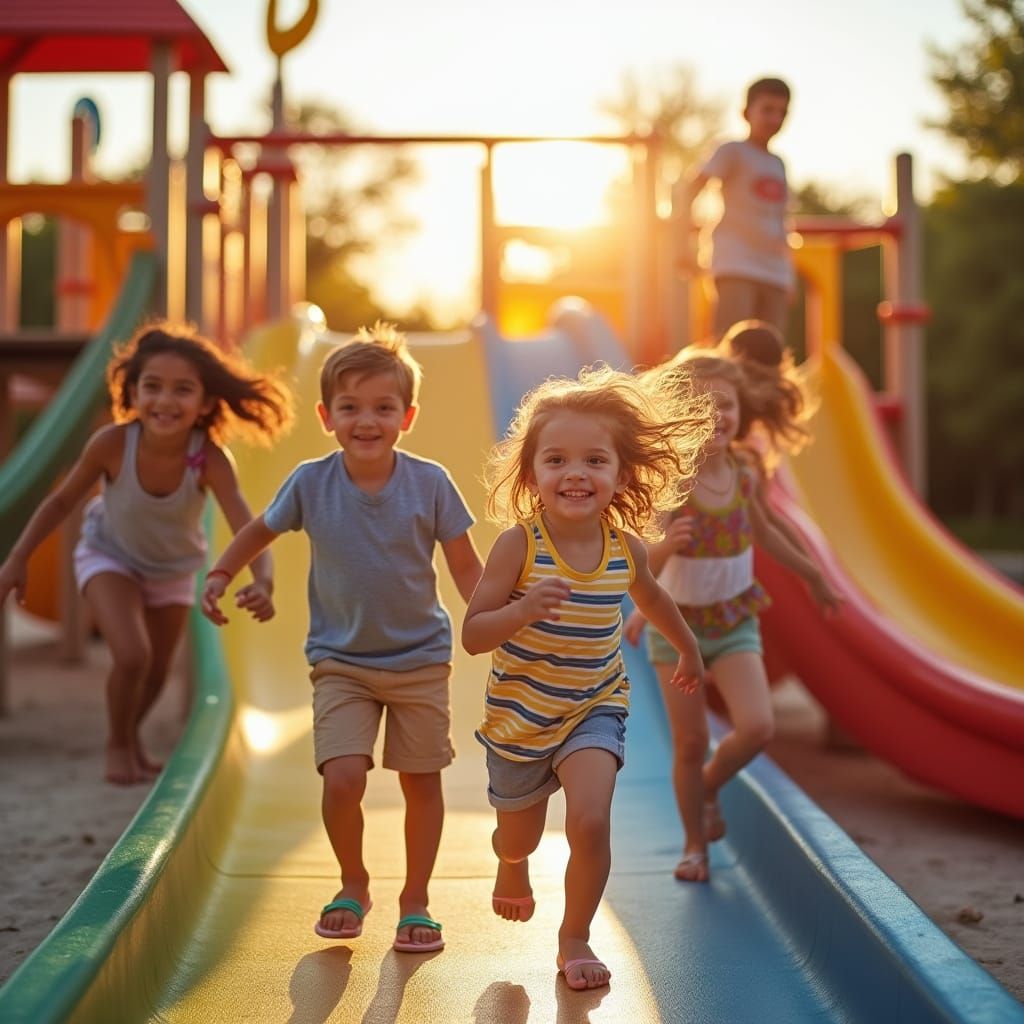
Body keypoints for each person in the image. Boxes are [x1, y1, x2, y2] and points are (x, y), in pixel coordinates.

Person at [200, 322, 483, 955]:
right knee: (344, 777)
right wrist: (223, 572)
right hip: (341, 662)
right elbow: (257, 530)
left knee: (421, 780)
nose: (367, 420)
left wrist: (496, 616)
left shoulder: (430, 482)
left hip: (420, 660)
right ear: (327, 416)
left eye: (384, 407)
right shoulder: (310, 481)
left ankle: (417, 898)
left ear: (407, 416)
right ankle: (353, 881)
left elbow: (466, 567)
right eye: (351, 407)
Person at [462, 363, 711, 992]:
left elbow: (651, 599)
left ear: (620, 474)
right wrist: (521, 609)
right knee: (516, 835)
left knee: (591, 820)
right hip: (521, 717)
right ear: (532, 474)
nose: (576, 473)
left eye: (595, 460)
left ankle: (575, 936)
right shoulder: (518, 545)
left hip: (594, 706)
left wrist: (688, 648)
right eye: (557, 460)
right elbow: (473, 634)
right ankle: (511, 863)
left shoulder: (625, 547)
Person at [0, 321, 293, 785]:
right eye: (152, 387)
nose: (165, 400)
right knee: (132, 655)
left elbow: (247, 523)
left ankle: (132, 738)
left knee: (157, 673)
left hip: (172, 570)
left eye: (182, 390)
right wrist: (17, 557)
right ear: (131, 392)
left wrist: (264, 578)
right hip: (108, 555)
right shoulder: (113, 444)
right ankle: (117, 744)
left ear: (206, 402)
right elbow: (61, 502)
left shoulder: (209, 459)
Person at [625, 351, 841, 885]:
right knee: (691, 742)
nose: (717, 416)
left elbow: (765, 530)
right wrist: (667, 548)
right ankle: (696, 844)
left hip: (734, 617)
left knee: (759, 727)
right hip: (676, 629)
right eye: (702, 406)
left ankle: (710, 785)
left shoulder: (745, 470)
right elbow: (639, 566)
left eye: (726, 405)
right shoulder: (674, 482)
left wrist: (812, 573)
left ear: (741, 410)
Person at [677, 77, 794, 339]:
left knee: (770, 352)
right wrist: (683, 245)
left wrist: (788, 274)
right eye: (767, 110)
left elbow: (779, 220)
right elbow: (689, 190)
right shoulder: (732, 151)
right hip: (736, 261)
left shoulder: (778, 163)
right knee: (730, 345)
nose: (775, 119)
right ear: (746, 113)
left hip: (775, 270)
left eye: (782, 112)